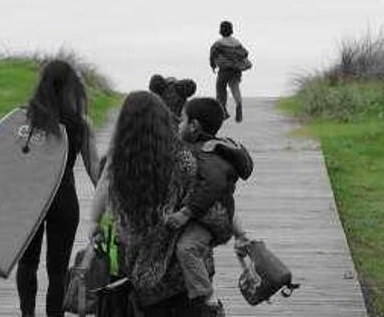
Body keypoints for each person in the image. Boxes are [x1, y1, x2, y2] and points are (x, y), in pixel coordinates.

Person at [88, 91, 227, 317]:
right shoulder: (185, 157)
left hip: (143, 268)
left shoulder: (119, 161)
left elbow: (105, 188)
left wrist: (94, 222)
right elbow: (207, 197)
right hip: (184, 270)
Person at [16, 60, 101, 317]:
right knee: (58, 270)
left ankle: (27, 315)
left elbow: (7, 167)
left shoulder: (23, 119)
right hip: (63, 198)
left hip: (30, 200)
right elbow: (95, 170)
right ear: (71, 87)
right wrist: (111, 203)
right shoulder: (80, 123)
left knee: (27, 263)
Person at [164, 98, 253, 317]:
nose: (178, 124)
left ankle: (209, 301)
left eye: (182, 120)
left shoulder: (202, 152)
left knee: (187, 248)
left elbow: (214, 184)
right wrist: (241, 235)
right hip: (218, 216)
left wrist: (186, 213)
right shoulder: (212, 148)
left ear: (194, 126)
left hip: (210, 220)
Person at [209, 20, 250, 122]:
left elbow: (212, 55)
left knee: (220, 89)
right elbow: (245, 53)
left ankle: (223, 111)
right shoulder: (237, 43)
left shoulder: (218, 43)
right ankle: (239, 104)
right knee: (235, 88)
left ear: (221, 31)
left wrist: (213, 66)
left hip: (224, 70)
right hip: (236, 70)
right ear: (231, 30)